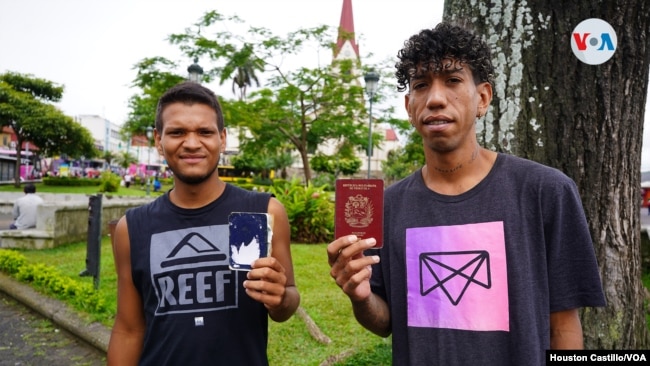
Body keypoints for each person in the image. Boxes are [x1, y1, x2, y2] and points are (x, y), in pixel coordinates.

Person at [327, 22, 606, 365]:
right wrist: (360, 296)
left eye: (454, 81)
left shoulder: (545, 191)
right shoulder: (388, 206)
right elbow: (385, 322)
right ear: (409, 106)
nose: (436, 98)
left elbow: (563, 325)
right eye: (421, 85)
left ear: (483, 98)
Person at [107, 81, 300, 365]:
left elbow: (289, 300)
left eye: (205, 132)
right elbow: (128, 329)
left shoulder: (262, 212)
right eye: (177, 132)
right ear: (159, 142)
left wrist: (280, 297)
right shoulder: (132, 228)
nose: (192, 143)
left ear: (222, 138)